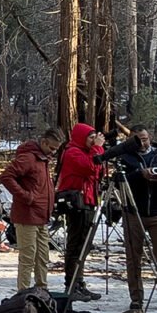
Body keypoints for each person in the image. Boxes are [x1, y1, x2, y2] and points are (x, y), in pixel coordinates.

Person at [111, 128, 157, 313]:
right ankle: (136, 299)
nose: (143, 143)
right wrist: (139, 174)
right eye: (138, 140)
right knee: (133, 258)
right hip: (134, 214)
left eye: (145, 139)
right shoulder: (125, 158)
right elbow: (117, 182)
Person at [0, 127, 63, 292]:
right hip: (27, 215)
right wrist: (25, 196)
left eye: (56, 149)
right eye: (52, 148)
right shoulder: (28, 158)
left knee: (42, 256)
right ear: (43, 142)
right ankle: (23, 291)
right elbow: (6, 176)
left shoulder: (43, 159)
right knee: (28, 256)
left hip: (42, 216)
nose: (54, 152)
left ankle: (42, 288)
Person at [55, 122, 104, 298]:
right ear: (80, 137)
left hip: (88, 201)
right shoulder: (72, 152)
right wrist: (98, 149)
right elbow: (89, 167)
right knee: (76, 245)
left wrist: (97, 151)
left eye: (94, 137)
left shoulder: (85, 152)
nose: (93, 140)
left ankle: (79, 282)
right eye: (90, 137)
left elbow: (98, 170)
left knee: (84, 245)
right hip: (77, 203)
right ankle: (71, 284)